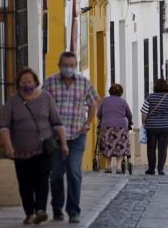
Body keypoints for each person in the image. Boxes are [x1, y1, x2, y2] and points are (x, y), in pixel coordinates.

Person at [0, 68, 69, 224]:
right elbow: (4, 126)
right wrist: (8, 146)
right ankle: (29, 212)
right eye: (23, 82)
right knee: (25, 183)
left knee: (42, 180)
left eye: (29, 81)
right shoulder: (13, 100)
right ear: (18, 84)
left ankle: (40, 210)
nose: (27, 84)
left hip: (42, 149)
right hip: (20, 151)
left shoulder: (45, 98)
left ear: (36, 82)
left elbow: (57, 122)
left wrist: (63, 144)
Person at [42, 52, 100, 223]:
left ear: (75, 65)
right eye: (65, 65)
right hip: (55, 137)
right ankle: (57, 207)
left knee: (74, 172)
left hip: (76, 135)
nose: (68, 68)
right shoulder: (50, 82)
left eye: (72, 65)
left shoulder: (84, 83)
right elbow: (42, 105)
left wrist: (88, 123)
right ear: (59, 65)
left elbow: (93, 103)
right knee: (56, 175)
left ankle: (74, 210)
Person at [141, 79, 168, 175]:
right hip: (166, 126)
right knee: (163, 148)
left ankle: (151, 168)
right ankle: (160, 169)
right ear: (166, 87)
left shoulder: (150, 98)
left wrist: (144, 122)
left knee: (151, 147)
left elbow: (144, 113)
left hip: (151, 126)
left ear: (155, 87)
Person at [97, 84, 133, 174]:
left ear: (110, 91)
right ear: (121, 92)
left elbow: (98, 114)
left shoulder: (104, 101)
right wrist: (130, 122)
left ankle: (108, 166)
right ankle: (118, 167)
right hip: (121, 127)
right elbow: (129, 114)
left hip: (106, 126)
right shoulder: (123, 102)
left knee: (108, 145)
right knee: (120, 145)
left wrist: (103, 119)